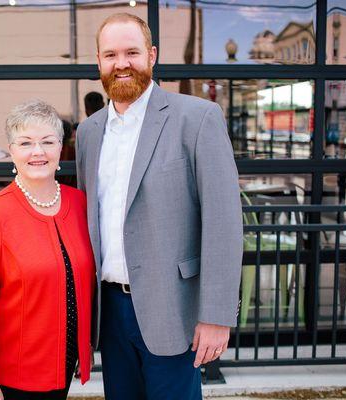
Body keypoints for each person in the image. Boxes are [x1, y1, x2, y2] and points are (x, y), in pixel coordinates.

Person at [75, 13, 243, 400]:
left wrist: (216, 316)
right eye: (111, 54)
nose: (122, 64)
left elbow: (224, 223)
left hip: (174, 309)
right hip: (110, 313)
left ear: (151, 55)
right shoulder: (88, 133)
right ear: (98, 61)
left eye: (132, 52)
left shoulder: (197, 118)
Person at [0, 100, 95, 400]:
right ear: (12, 151)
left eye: (48, 141)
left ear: (60, 148)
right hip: (15, 376)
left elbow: (83, 282)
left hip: (64, 367)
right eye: (26, 143)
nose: (38, 152)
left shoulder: (79, 204)